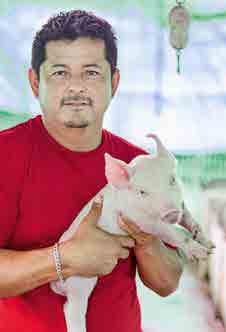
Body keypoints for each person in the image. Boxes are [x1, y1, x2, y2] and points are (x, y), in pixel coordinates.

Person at [0, 9, 184, 332]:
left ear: (114, 82)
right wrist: (64, 258)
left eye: (91, 73)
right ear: (34, 82)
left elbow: (168, 282)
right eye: (59, 73)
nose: (76, 87)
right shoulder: (5, 155)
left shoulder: (137, 166)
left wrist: (144, 239)